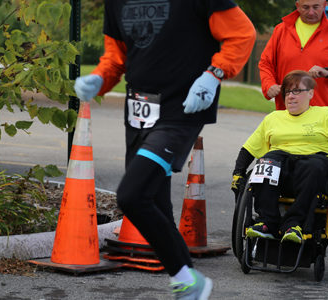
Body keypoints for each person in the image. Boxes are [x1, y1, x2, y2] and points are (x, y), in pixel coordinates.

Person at [73, 1, 256, 299]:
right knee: (153, 202)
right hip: (139, 110)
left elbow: (242, 33)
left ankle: (189, 281)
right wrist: (99, 78)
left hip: (181, 110)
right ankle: (189, 282)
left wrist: (214, 74)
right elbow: (116, 57)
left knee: (131, 195)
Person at [231, 70, 328, 243]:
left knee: (312, 166)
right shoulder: (273, 118)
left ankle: (295, 224)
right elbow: (249, 149)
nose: (290, 96)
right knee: (265, 163)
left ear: (311, 93)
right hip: (282, 168)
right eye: (287, 92)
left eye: (296, 91)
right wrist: (238, 173)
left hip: (316, 164)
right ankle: (267, 222)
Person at [259, 0, 328, 112]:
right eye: (306, 7)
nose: (311, 12)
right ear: (297, 6)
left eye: (316, 7)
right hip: (286, 112)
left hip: (322, 114)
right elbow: (266, 63)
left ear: (324, 5)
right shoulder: (281, 30)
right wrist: (269, 85)